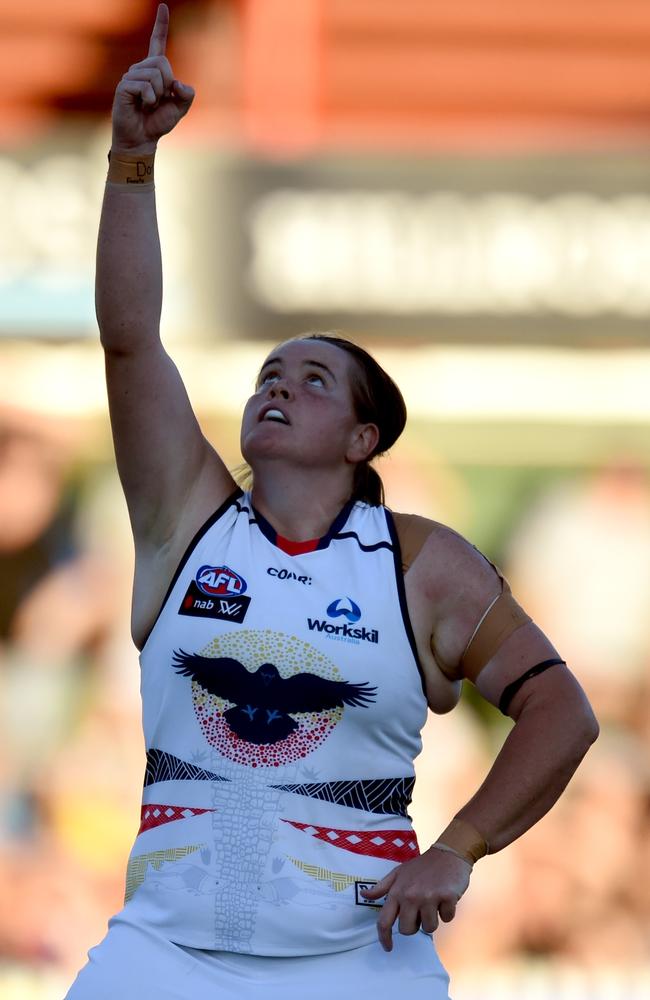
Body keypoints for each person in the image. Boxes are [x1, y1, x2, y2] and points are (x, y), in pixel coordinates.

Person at [65, 6, 599, 998]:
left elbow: (561, 713)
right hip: (162, 962)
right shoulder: (185, 522)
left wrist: (460, 847)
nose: (275, 383)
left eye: (312, 379)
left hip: (358, 969)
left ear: (362, 441)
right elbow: (131, 338)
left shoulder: (419, 564)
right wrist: (128, 160)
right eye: (269, 370)